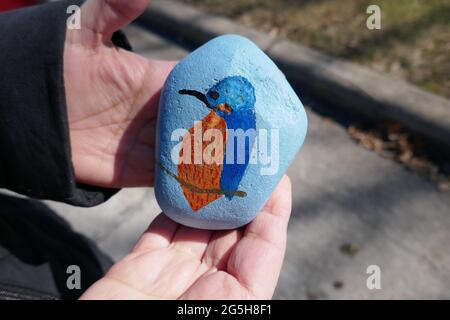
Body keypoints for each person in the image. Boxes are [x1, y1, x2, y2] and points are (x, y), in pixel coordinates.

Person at [0, 0, 292, 299]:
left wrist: (28, 94)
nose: (216, 109)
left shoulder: (237, 121)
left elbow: (235, 159)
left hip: (50, 252)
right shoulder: (225, 121)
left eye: (221, 104)